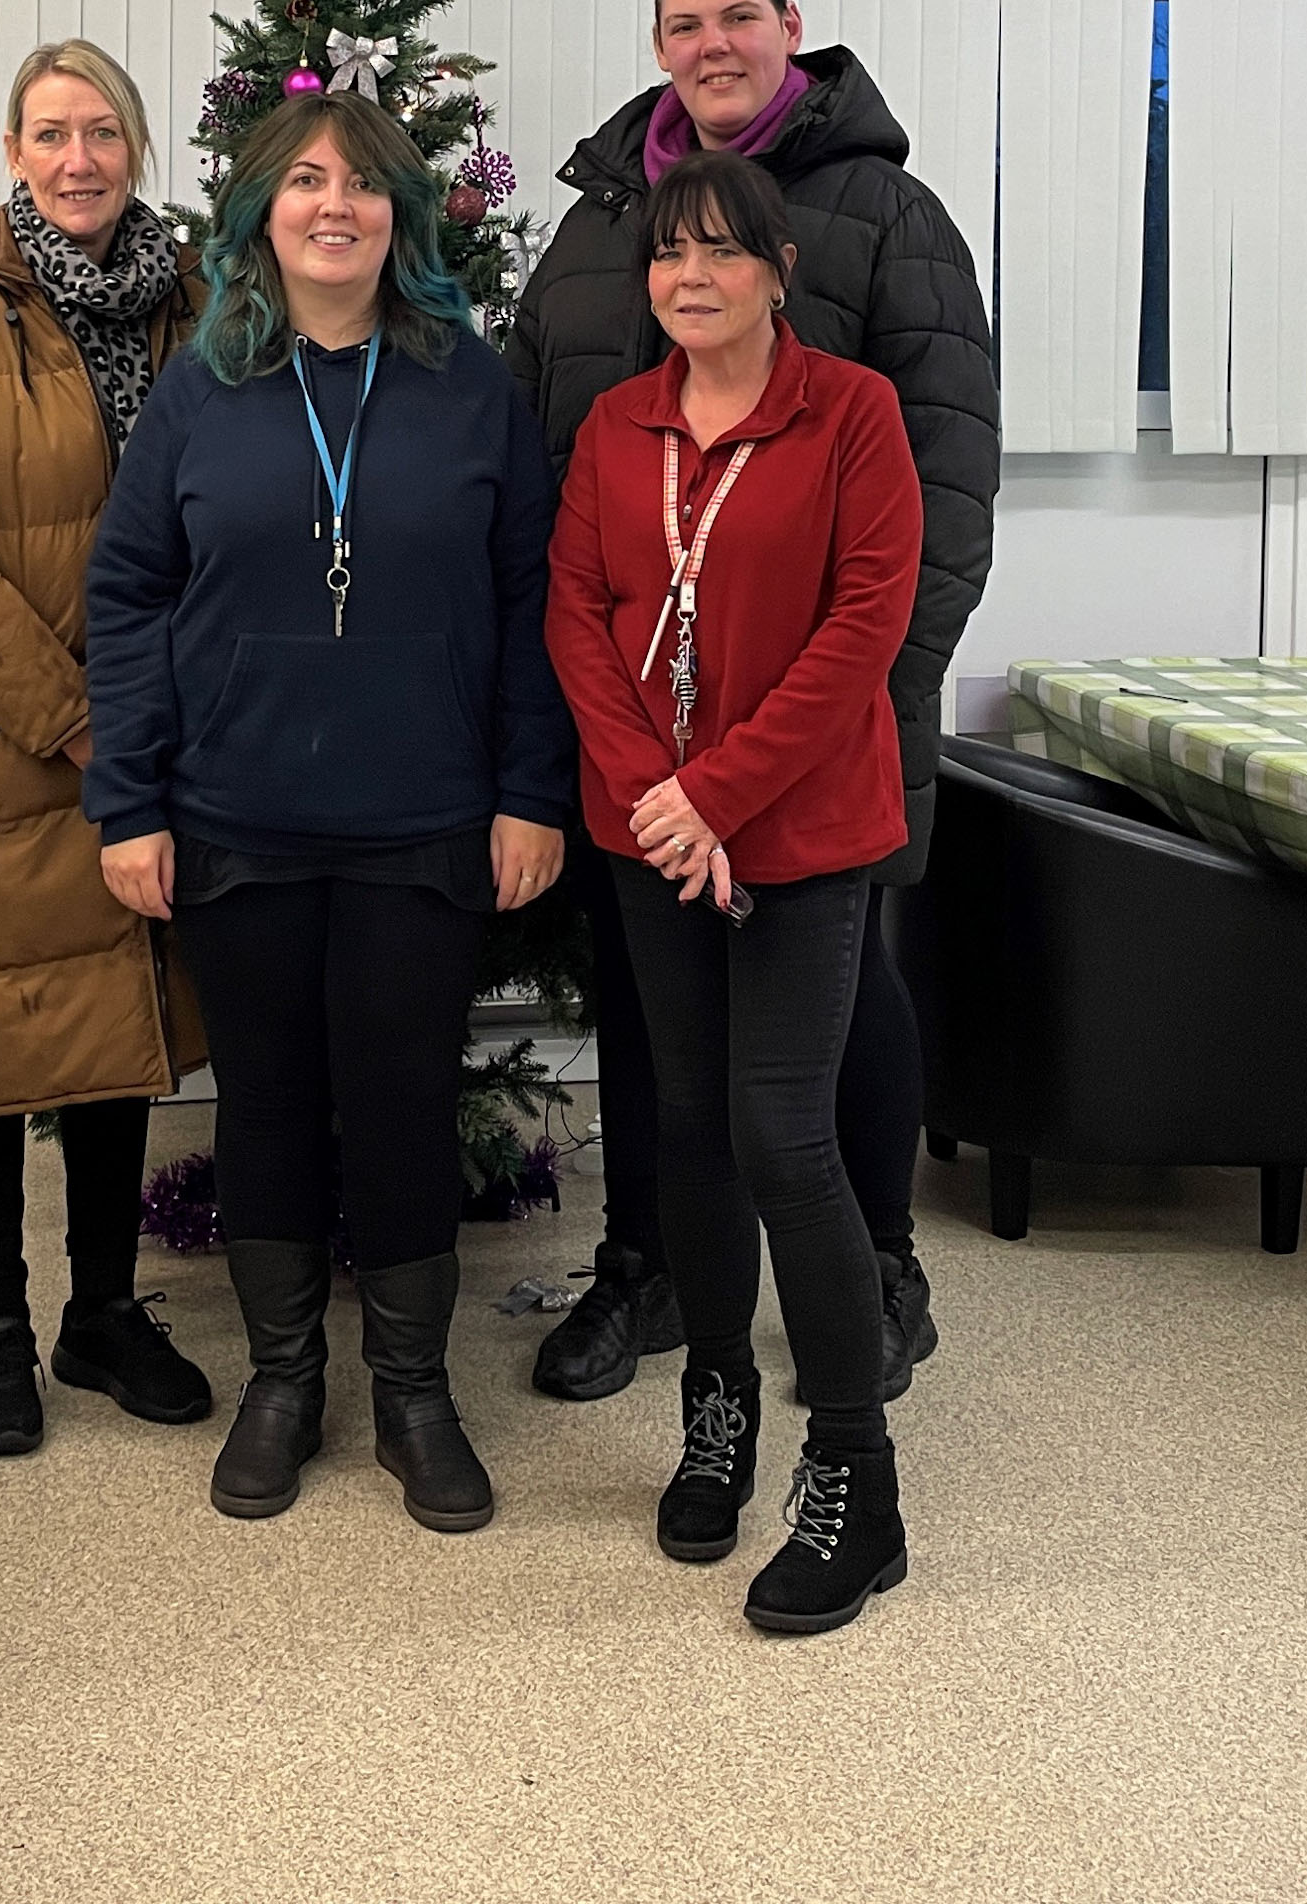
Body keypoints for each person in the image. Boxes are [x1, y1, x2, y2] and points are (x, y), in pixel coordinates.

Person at [504, 0, 1000, 1405]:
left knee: (844, 1021)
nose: (711, 44)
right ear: (658, 44)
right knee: (669, 1035)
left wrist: (844, 719)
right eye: (681, 22)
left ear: (791, 25)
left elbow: (945, 496)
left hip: (823, 733)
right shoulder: (602, 219)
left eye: (738, 16)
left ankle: (878, 1270)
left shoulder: (888, 217)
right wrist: (643, 771)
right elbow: (551, 469)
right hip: (644, 755)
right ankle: (652, 1272)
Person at [84, 90, 576, 1534]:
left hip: (422, 819)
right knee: (273, 1105)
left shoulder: (469, 386)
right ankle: (284, 1381)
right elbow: (127, 596)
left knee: (406, 1100)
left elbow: (531, 601)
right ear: (262, 213)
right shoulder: (204, 387)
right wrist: (131, 801)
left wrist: (530, 790)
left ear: (402, 218)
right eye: (304, 181)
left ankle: (415, 1391)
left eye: (363, 185)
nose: (334, 205)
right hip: (236, 814)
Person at [549, 151, 925, 1632]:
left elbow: (864, 626)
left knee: (784, 1136)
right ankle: (717, 1404)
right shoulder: (612, 425)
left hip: (803, 835)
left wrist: (718, 794)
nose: (688, 276)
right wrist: (662, 798)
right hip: (653, 837)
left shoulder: (854, 417)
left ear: (778, 272)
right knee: (691, 1130)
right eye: (666, 254)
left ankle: (857, 1477)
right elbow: (580, 615)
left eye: (721, 252)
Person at [0, 38, 216, 1459]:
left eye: (104, 133)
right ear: (12, 152)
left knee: (111, 1019)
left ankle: (103, 1310)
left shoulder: (187, 305)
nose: (79, 159)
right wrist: (77, 720)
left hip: (150, 731)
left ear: (135, 149)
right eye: (51, 134)